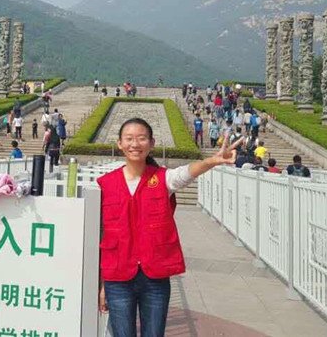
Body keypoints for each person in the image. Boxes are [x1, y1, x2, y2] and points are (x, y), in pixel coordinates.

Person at [98, 117, 241, 336]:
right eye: (129, 139)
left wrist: (211, 161)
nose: (135, 144)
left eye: (141, 138)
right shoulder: (105, 184)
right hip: (117, 278)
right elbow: (102, 236)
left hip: (154, 277)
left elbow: (186, 173)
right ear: (119, 143)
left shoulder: (163, 179)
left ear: (151, 143)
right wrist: (103, 283)